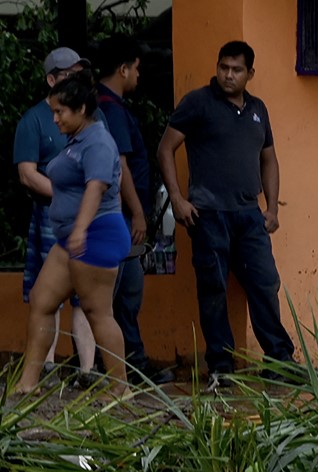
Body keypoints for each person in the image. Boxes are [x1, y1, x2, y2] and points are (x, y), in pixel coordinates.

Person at [156, 40, 295, 389]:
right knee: (213, 288)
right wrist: (177, 198)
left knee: (265, 285)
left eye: (236, 70)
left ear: (250, 73)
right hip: (208, 215)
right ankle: (221, 365)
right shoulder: (198, 103)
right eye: (223, 67)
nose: (228, 75)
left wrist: (273, 207)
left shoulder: (258, 109)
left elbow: (269, 159)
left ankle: (280, 362)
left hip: (250, 215)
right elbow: (165, 148)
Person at [14, 71, 131, 396]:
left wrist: (80, 229)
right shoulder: (76, 139)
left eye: (59, 112)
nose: (54, 119)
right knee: (41, 299)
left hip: (94, 236)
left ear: (81, 109)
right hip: (72, 238)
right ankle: (27, 383)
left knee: (97, 312)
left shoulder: (98, 141)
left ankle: (120, 389)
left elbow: (97, 186)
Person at [13, 47, 98, 384]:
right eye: (69, 73)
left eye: (80, 72)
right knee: (49, 292)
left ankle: (89, 371)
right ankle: (46, 367)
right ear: (51, 79)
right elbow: (27, 173)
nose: (77, 78)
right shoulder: (33, 119)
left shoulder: (93, 117)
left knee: (86, 293)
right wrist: (67, 195)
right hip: (51, 215)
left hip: (90, 217)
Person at [95, 34, 173, 385]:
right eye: (137, 69)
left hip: (123, 214)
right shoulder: (110, 108)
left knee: (127, 293)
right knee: (122, 294)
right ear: (123, 69)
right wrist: (138, 213)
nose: (139, 76)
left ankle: (131, 361)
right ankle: (122, 365)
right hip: (122, 216)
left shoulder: (110, 107)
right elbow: (121, 165)